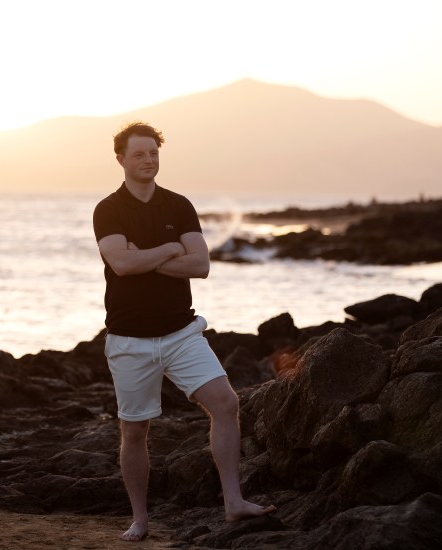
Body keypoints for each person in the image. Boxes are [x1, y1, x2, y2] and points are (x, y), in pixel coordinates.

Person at [93, 122, 276, 542]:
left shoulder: (178, 206)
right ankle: (140, 519)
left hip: (181, 333)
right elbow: (121, 264)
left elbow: (201, 266)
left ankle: (233, 501)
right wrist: (170, 250)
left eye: (153, 153)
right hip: (129, 339)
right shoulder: (108, 210)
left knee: (226, 403)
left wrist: (147, 258)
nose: (148, 160)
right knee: (134, 430)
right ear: (120, 159)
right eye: (139, 154)